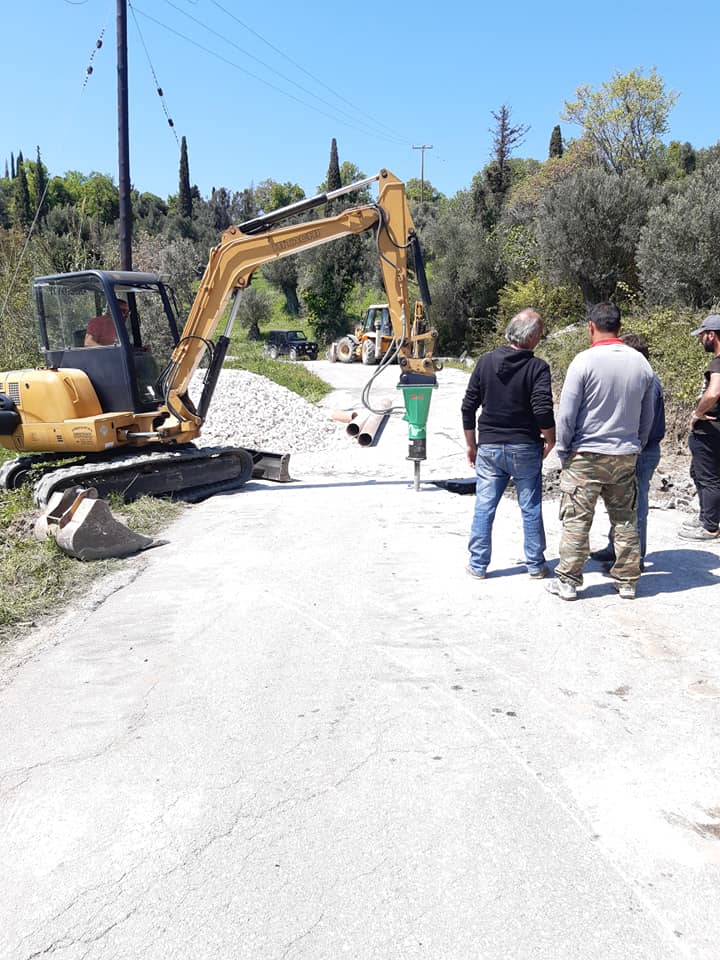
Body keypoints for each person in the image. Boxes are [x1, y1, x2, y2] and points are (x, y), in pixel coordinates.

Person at [546, 302, 654, 601]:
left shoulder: (583, 361)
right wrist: (637, 444)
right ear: (620, 327)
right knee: (625, 519)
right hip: (625, 454)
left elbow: (567, 413)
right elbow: (647, 415)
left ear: (590, 327)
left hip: (586, 454)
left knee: (577, 519)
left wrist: (565, 449)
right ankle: (627, 581)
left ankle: (568, 581)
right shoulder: (641, 364)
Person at [461, 308, 556, 580]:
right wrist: (550, 438)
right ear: (534, 338)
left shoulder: (486, 362)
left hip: (489, 447)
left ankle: (478, 565)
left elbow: (468, 407)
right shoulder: (538, 367)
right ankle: (536, 565)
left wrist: (472, 444)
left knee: (484, 505)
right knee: (530, 506)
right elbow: (542, 408)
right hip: (525, 447)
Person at [590, 332, 665, 568]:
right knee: (621, 502)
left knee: (636, 505)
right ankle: (615, 549)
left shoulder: (648, 380)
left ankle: (635, 558)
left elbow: (646, 421)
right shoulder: (642, 378)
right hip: (634, 448)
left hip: (642, 450)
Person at [679, 314, 720, 540]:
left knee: (708, 477)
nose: (700, 340)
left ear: (711, 335)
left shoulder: (718, 362)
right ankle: (707, 515)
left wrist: (698, 412)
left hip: (710, 430)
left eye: (702, 336)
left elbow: (714, 392)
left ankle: (710, 526)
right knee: (700, 473)